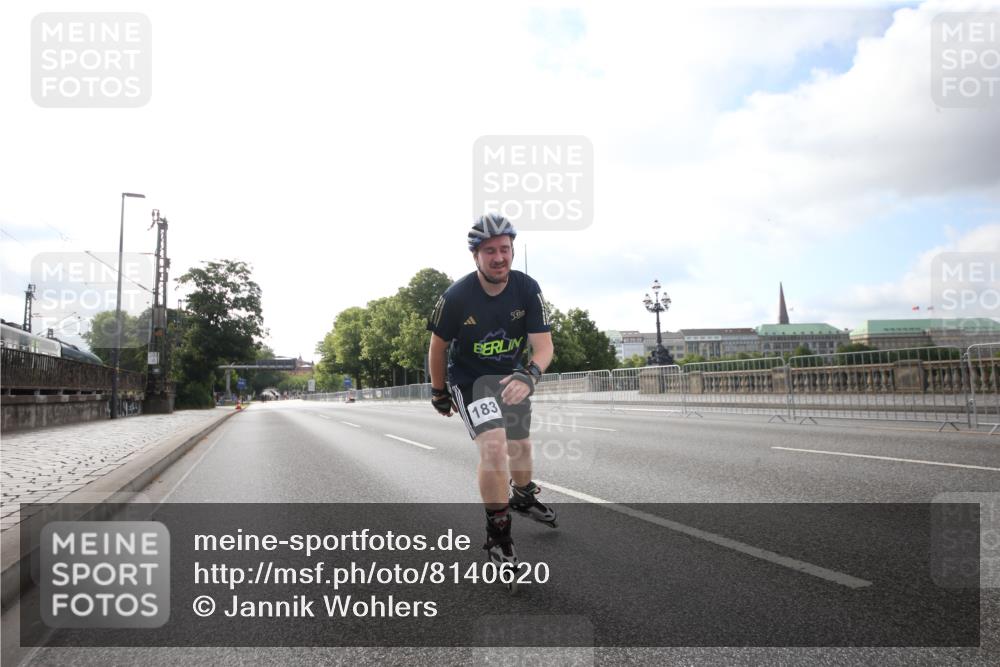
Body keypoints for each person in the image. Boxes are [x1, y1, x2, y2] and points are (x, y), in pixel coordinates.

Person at [426, 213, 557, 571]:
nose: (499, 257)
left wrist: (530, 374)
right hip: (470, 380)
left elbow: (544, 347)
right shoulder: (456, 296)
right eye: (490, 251)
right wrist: (438, 391)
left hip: (510, 378)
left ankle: (524, 495)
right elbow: (437, 347)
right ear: (476, 257)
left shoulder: (527, 289)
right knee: (495, 446)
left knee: (521, 446)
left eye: (505, 249)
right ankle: (498, 533)